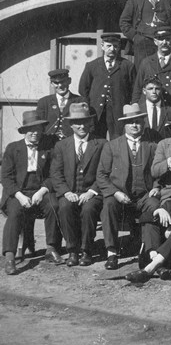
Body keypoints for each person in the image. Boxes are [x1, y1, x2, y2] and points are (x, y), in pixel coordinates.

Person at [97, 103, 160, 270]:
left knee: (154, 205)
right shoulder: (112, 145)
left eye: (138, 121)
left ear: (144, 124)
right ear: (124, 125)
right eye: (130, 122)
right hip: (121, 195)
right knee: (108, 205)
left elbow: (160, 172)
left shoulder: (152, 146)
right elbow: (101, 175)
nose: (134, 125)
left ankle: (150, 251)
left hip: (144, 195)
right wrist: (115, 193)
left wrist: (157, 187)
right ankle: (111, 252)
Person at [2, 111, 60, 274]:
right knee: (14, 212)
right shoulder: (13, 148)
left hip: (40, 190)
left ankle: (51, 248)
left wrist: (42, 191)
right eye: (31, 129)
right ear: (24, 131)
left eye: (38, 129)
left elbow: (53, 174)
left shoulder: (48, 148)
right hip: (18, 193)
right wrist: (19, 196)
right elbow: (6, 177)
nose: (35, 133)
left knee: (54, 205)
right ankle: (10, 257)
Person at [49, 103, 107, 267]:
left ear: (90, 123)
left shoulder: (101, 143)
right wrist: (66, 192)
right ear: (70, 125)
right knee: (65, 207)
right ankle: (73, 251)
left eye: (85, 122)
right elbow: (56, 173)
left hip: (91, 192)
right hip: (70, 192)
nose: (81, 126)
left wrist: (92, 191)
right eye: (77, 123)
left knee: (89, 209)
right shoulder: (61, 146)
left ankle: (87, 250)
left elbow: (105, 172)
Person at [79, 32, 136, 139]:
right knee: (96, 140)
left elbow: (134, 90)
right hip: (97, 112)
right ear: (102, 46)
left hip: (118, 112)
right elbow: (83, 89)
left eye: (115, 46)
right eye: (108, 46)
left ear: (119, 47)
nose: (112, 49)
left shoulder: (127, 66)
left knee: (118, 140)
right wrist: (89, 107)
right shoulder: (92, 66)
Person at [132, 25, 171, 107]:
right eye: (160, 39)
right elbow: (137, 89)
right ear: (155, 41)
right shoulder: (146, 63)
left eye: (168, 39)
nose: (164, 42)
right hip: (151, 111)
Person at [36, 68, 83, 140]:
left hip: (71, 144)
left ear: (69, 81)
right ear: (51, 84)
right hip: (49, 144)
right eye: (56, 83)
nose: (60, 85)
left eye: (63, 81)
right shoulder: (44, 102)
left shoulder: (80, 101)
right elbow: (38, 126)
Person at [138, 76, 171, 143]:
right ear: (144, 91)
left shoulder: (170, 111)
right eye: (150, 89)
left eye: (157, 89)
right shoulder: (138, 111)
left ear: (161, 90)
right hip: (144, 149)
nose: (154, 92)